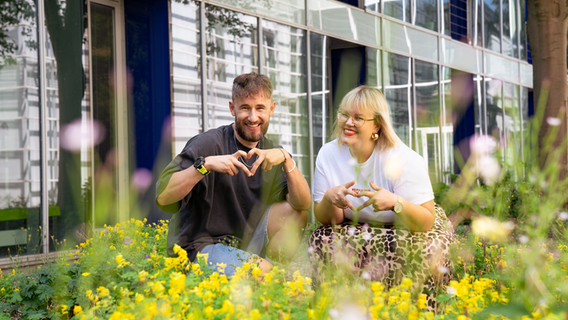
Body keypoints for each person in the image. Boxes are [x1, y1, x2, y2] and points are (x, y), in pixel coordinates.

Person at [308, 86, 456, 306]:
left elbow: (426, 221)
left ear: (377, 124)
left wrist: (395, 203)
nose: (348, 122)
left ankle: (417, 309)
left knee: (424, 250)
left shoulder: (402, 158)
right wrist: (330, 198)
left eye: (358, 118)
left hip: (411, 225)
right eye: (344, 115)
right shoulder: (328, 154)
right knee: (321, 237)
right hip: (359, 226)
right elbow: (331, 220)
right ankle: (338, 307)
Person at [156, 72, 311, 276]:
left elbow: (303, 204)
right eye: (245, 108)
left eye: (260, 108)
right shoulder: (207, 144)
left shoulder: (271, 153)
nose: (253, 117)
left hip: (244, 244)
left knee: (295, 213)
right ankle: (266, 275)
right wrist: (205, 165)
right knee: (268, 275)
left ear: (271, 109)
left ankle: (266, 270)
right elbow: (163, 197)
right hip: (199, 247)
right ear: (232, 108)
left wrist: (286, 158)